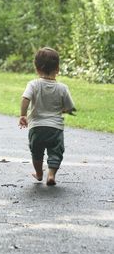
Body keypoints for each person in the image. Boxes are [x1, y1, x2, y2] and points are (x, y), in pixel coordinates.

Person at [19, 47, 76, 186]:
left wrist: (23, 115)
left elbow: (25, 98)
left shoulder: (33, 84)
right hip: (55, 128)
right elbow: (69, 107)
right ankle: (51, 175)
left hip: (36, 127)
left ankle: (39, 173)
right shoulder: (63, 88)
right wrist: (64, 110)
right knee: (55, 152)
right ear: (57, 68)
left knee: (36, 153)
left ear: (36, 68)